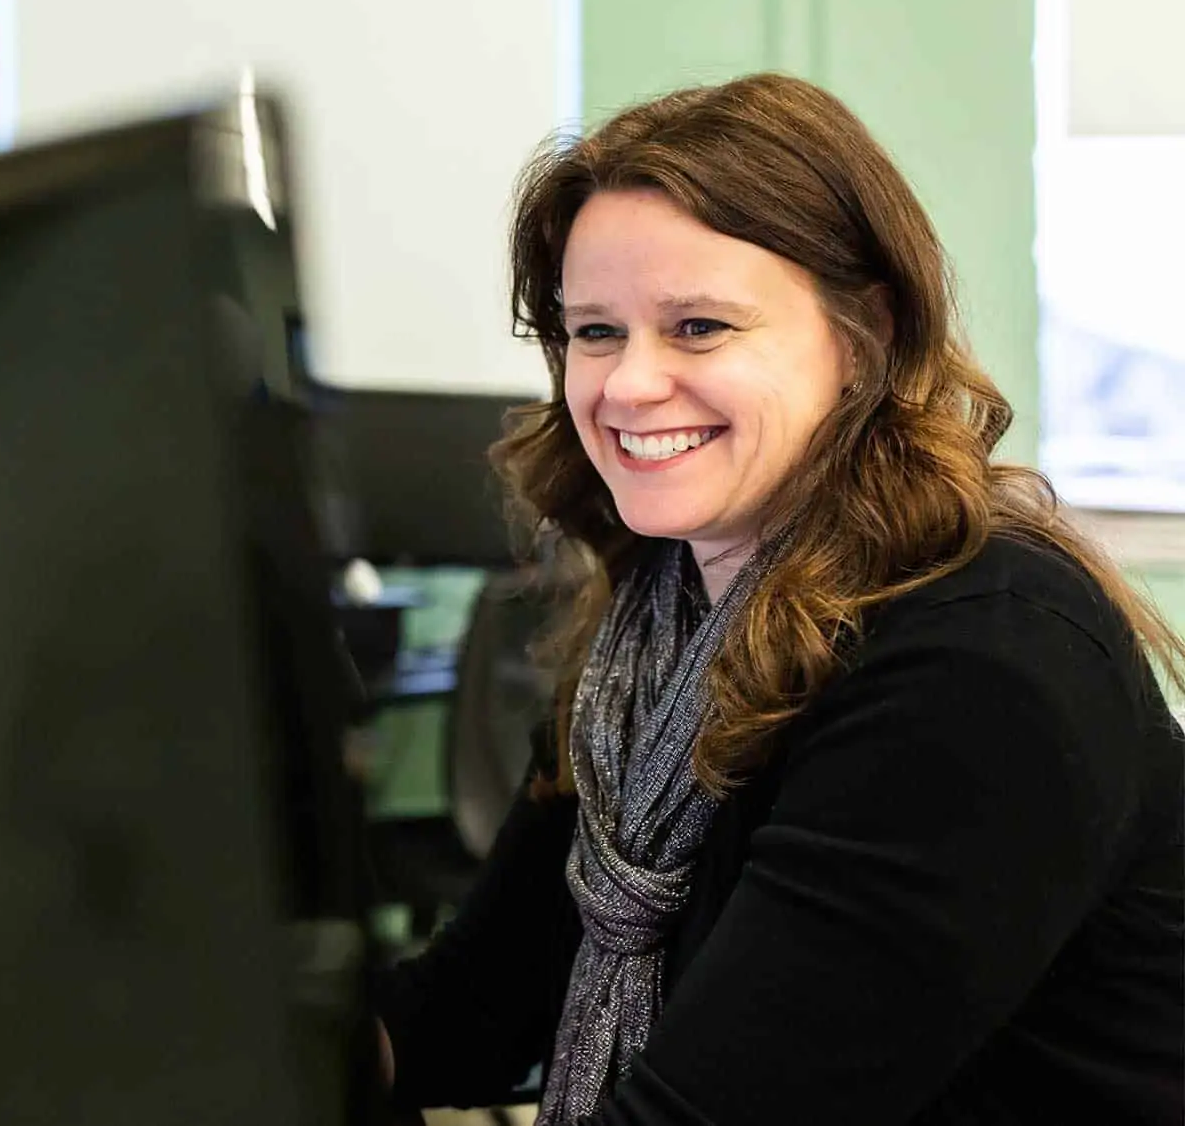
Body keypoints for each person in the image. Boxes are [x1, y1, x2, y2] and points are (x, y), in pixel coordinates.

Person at [373, 73, 1185, 1125]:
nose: (625, 385)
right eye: (594, 331)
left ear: (862, 338)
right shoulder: (649, 638)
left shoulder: (978, 659)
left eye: (699, 326)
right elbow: (470, 1012)